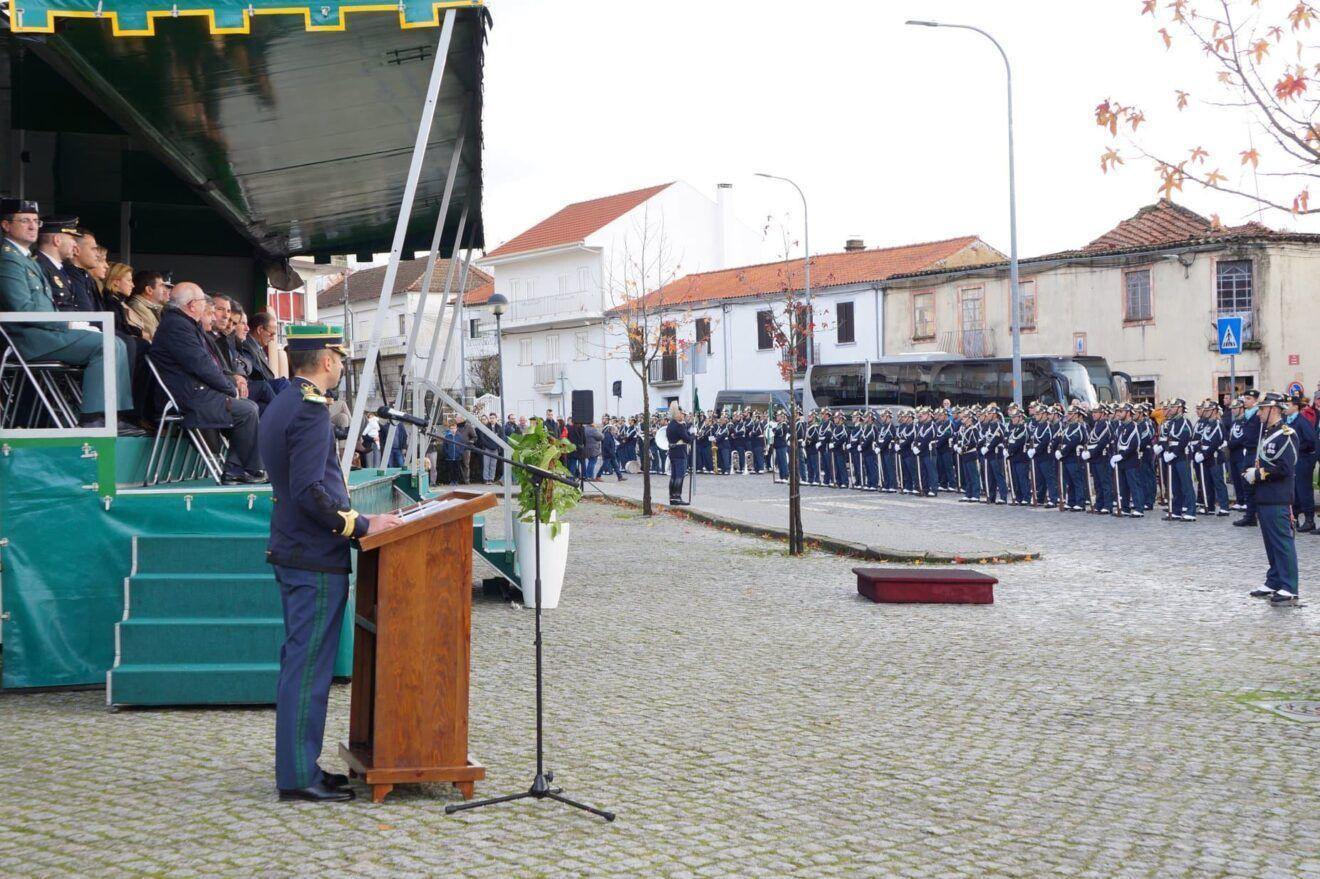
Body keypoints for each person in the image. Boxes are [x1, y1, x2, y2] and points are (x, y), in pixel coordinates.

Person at [259, 324, 403, 802]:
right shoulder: (309, 410)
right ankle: (298, 776)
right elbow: (308, 491)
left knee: (303, 664)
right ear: (325, 360)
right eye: (339, 357)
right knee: (307, 669)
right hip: (312, 555)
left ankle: (302, 767)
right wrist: (359, 526)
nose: (341, 364)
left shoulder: (285, 401)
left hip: (297, 549)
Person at [0, 200, 142, 434]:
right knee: (105, 345)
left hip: (44, 332)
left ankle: (112, 414)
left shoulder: (24, 258)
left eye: (35, 221)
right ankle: (92, 417)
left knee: (115, 342)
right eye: (24, 221)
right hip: (27, 338)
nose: (32, 226)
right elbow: (22, 308)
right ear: (6, 225)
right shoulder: (8, 260)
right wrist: (67, 322)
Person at [151, 283, 265, 482]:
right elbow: (201, 364)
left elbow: (208, 365)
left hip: (194, 391)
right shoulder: (177, 325)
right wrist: (229, 388)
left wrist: (229, 384)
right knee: (247, 411)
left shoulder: (182, 323)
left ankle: (237, 469)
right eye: (204, 302)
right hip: (188, 397)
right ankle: (242, 470)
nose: (206, 307)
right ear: (192, 304)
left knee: (248, 407)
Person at [1242, 393, 1300, 604]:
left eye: (1262, 409)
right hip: (1265, 496)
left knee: (1282, 543)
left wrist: (1258, 474)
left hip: (1278, 496)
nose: (1258, 414)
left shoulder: (1286, 434)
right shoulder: (1268, 433)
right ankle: (1274, 579)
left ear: (1273, 410)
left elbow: (1285, 467)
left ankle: (1289, 586)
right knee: (1270, 543)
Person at [1285, 394, 1317, 532]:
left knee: (1304, 490)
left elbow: (1311, 440)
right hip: (1293, 460)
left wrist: (1297, 447)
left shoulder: (1301, 421)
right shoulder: (1288, 421)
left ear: (1295, 406)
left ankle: (1310, 520)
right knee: (1294, 491)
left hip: (1303, 459)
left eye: (1288, 405)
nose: (1285, 408)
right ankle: (1295, 518)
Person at [665, 403, 694, 505]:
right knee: (679, 475)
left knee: (673, 475)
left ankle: (672, 496)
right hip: (680, 452)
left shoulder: (670, 425)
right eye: (682, 414)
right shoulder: (679, 426)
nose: (683, 416)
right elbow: (687, 439)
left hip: (673, 452)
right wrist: (692, 434)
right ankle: (677, 497)